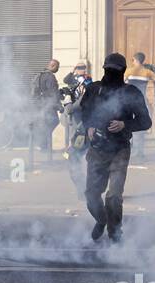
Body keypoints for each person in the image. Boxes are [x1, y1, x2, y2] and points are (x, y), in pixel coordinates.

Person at [79, 53, 151, 242]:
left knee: (114, 196)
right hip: (97, 149)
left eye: (115, 71)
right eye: (108, 70)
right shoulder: (94, 89)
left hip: (120, 150)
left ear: (123, 71)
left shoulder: (131, 93)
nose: (111, 74)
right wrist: (89, 127)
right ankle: (102, 220)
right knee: (92, 195)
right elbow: (84, 112)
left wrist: (125, 124)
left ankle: (115, 233)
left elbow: (145, 121)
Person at [61, 61, 93, 198]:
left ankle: (84, 191)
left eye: (82, 68)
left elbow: (69, 109)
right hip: (79, 132)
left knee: (74, 160)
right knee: (80, 161)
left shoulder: (86, 90)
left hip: (81, 132)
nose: (81, 70)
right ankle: (86, 190)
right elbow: (67, 80)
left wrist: (68, 100)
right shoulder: (77, 86)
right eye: (79, 68)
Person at [30, 59, 62, 160]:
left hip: (40, 105)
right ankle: (44, 145)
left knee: (46, 124)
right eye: (57, 67)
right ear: (53, 66)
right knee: (53, 121)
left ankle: (43, 145)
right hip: (48, 105)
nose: (58, 69)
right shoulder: (50, 76)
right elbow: (53, 93)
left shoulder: (40, 75)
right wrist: (59, 106)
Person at [125, 53, 154, 159]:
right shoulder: (147, 72)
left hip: (129, 102)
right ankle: (139, 152)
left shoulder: (129, 71)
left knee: (128, 126)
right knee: (140, 128)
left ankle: (133, 152)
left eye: (132, 60)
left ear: (135, 60)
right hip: (142, 102)